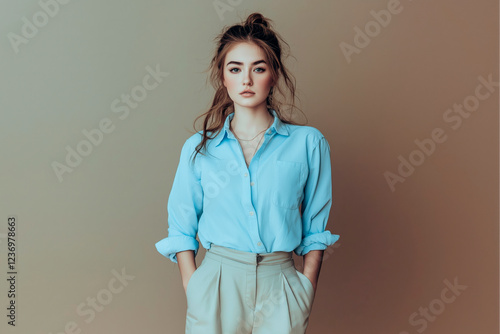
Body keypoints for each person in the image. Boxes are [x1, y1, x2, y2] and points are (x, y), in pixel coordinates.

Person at [155, 12, 340, 334]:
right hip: (217, 282)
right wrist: (194, 286)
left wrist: (305, 288)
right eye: (235, 69)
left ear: (274, 75)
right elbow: (181, 224)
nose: (246, 80)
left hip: (280, 282)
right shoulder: (199, 148)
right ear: (222, 76)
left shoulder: (308, 143)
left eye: (259, 68)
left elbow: (315, 225)